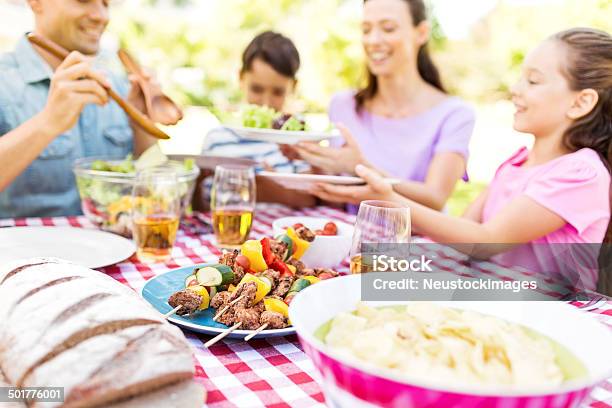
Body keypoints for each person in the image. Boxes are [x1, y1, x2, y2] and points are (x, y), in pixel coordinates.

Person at [313, 28, 612, 290]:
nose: (515, 89)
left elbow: (483, 242)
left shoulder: (581, 174)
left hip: (548, 321)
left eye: (533, 81)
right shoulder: (517, 163)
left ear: (581, 102)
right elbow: (459, 235)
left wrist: (390, 199)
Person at [291, 0, 475, 211]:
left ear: (421, 33)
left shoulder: (454, 115)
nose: (373, 40)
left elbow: (435, 199)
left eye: (388, 28)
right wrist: (311, 159)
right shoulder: (342, 105)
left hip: (413, 241)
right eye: (366, 29)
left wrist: (360, 168)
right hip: (347, 235)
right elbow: (335, 199)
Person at [0, 0, 157, 217]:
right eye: (84, 0)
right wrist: (48, 122)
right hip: (22, 249)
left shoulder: (119, 87)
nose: (101, 16)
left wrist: (142, 125)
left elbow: (154, 193)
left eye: (106, 3)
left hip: (111, 247)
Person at [201, 31, 316, 207]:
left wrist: (270, 188)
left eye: (278, 92)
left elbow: (309, 199)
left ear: (293, 86)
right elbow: (203, 204)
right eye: (256, 89)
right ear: (241, 78)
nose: (265, 104)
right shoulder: (218, 139)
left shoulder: (298, 139)